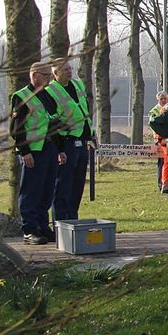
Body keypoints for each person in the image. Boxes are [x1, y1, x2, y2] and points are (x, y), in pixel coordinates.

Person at [10, 62, 67, 244]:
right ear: (34, 76)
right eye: (46, 75)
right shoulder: (21, 97)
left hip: (49, 148)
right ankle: (30, 229)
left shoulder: (47, 95)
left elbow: (54, 122)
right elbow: (17, 129)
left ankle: (43, 226)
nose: (49, 79)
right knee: (31, 191)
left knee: (47, 190)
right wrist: (24, 151)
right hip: (33, 151)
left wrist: (60, 149)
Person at [46, 59, 92, 222]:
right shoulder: (51, 91)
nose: (69, 71)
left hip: (82, 140)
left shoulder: (78, 85)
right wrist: (59, 149)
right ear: (55, 73)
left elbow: (84, 108)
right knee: (63, 185)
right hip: (66, 142)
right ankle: (60, 222)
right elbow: (52, 121)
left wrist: (90, 134)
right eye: (64, 69)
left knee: (77, 184)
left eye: (69, 68)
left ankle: (73, 218)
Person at [148, 91, 168, 192]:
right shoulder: (154, 110)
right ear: (158, 99)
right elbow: (153, 125)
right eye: (162, 99)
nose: (164, 100)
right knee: (162, 163)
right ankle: (161, 184)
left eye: (165, 98)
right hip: (159, 139)